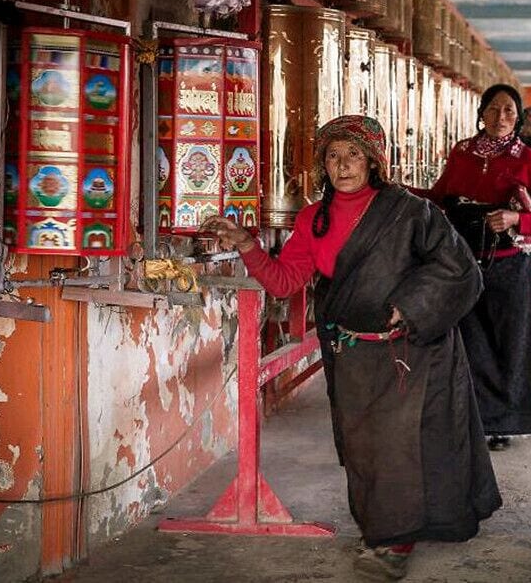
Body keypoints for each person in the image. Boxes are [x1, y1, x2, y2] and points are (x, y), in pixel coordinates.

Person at [204, 115, 502, 580]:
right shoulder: (312, 218)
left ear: (374, 162)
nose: (342, 166)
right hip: (352, 353)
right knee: (364, 448)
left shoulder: (409, 211)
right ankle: (386, 527)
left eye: (353, 156)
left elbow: (460, 268)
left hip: (409, 351)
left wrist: (409, 305)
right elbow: (285, 283)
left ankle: (394, 542)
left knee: (398, 446)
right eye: (332, 156)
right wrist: (247, 244)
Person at [413, 84, 531, 451]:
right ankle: (474, 419)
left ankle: (504, 424)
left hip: (510, 267)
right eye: (493, 110)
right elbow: (440, 195)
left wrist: (514, 218)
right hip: (464, 264)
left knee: (508, 347)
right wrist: (400, 191)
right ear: (481, 112)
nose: (500, 118)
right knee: (470, 343)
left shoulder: (527, 159)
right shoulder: (462, 153)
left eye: (509, 111)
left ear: (519, 117)